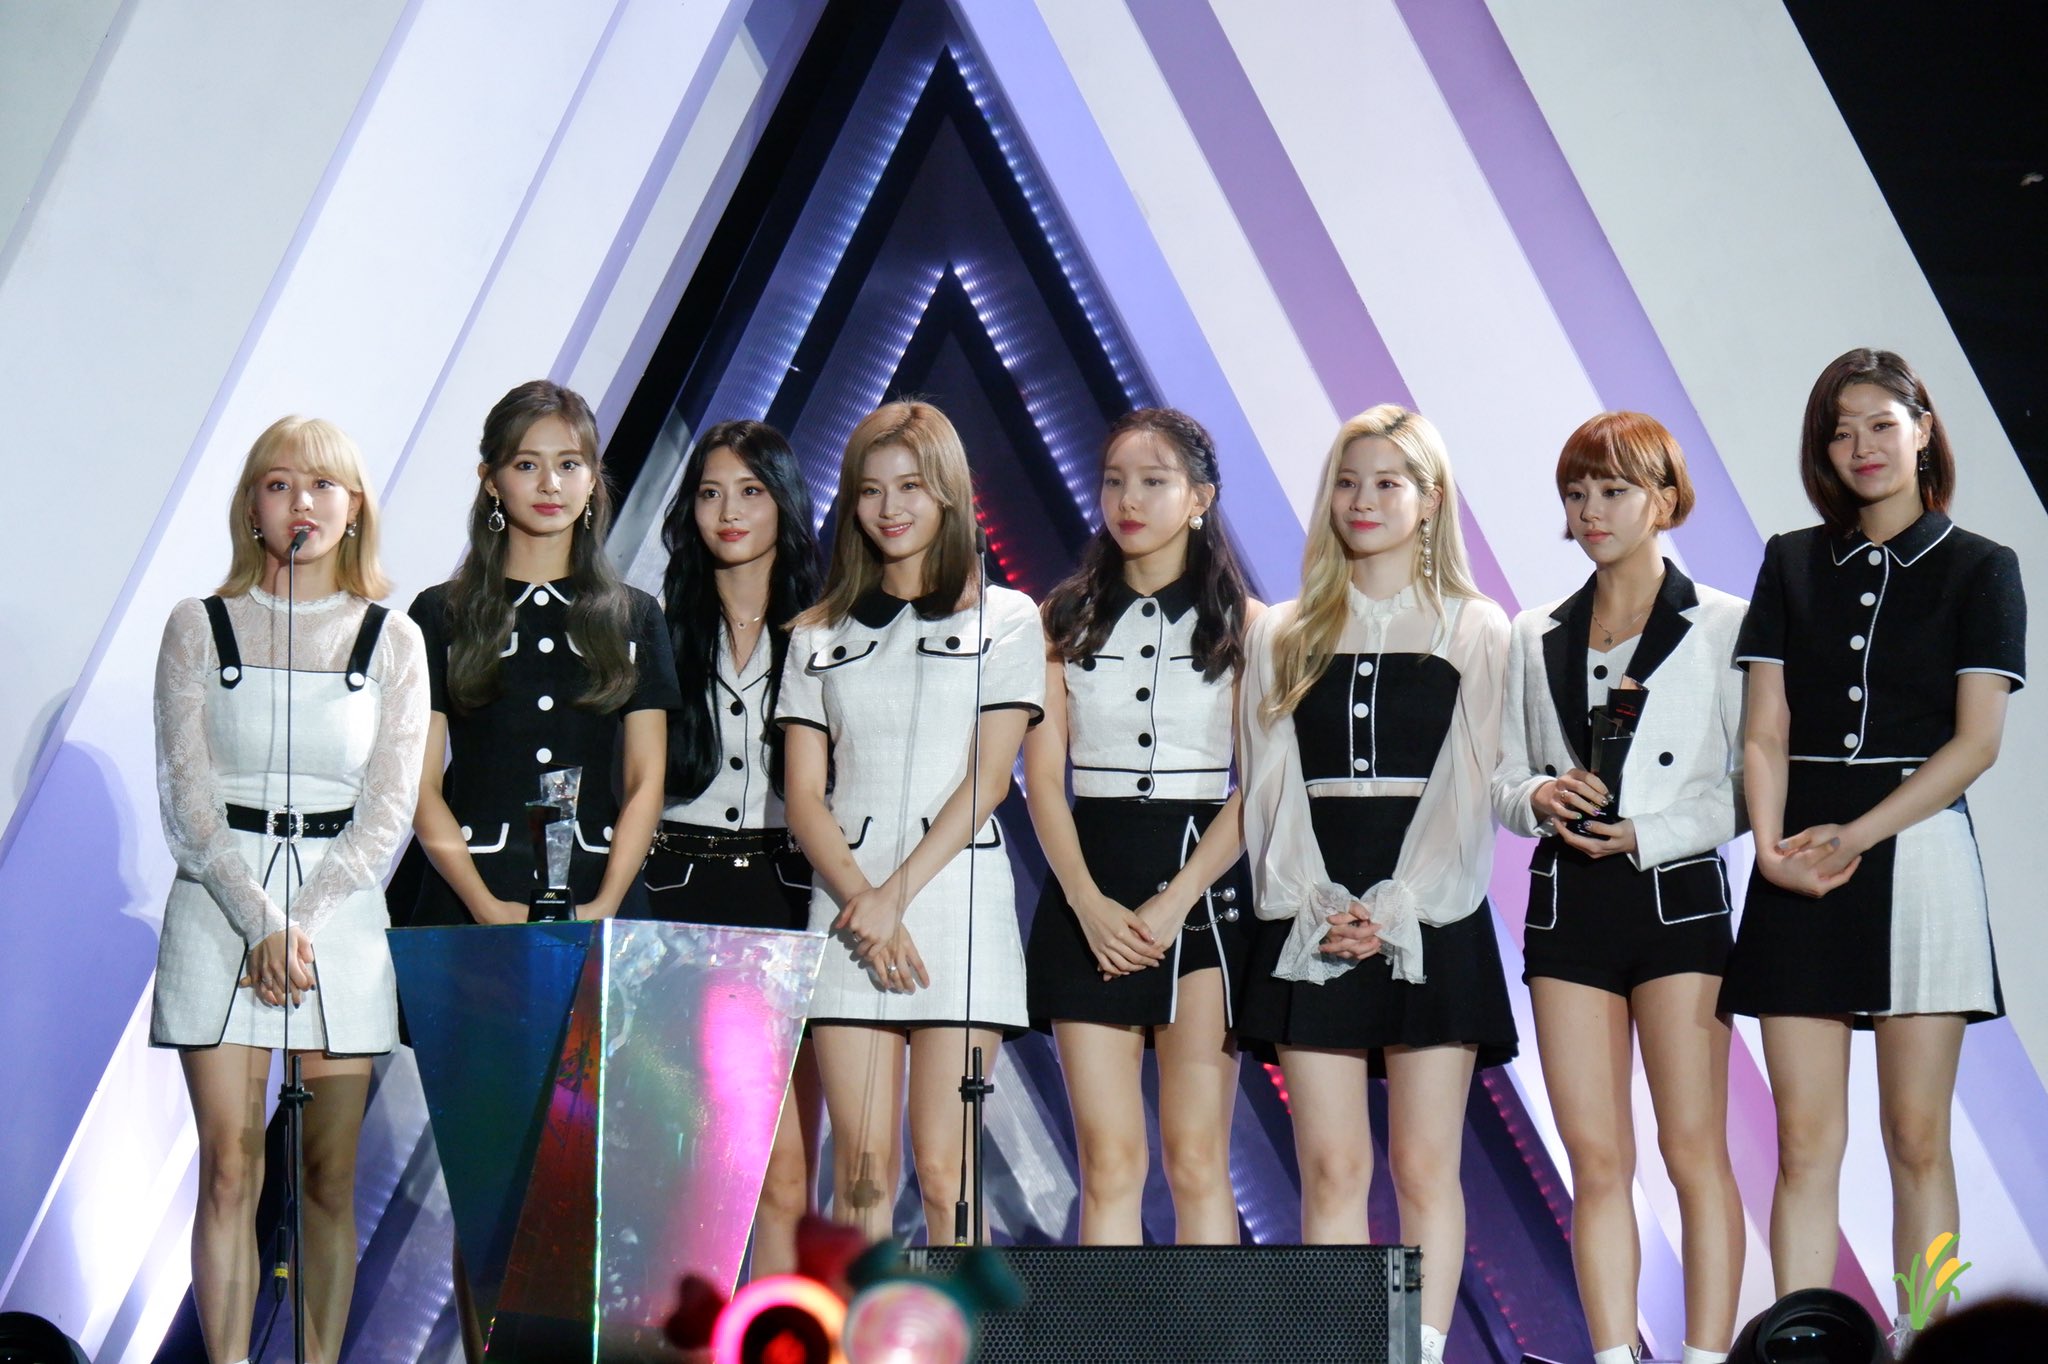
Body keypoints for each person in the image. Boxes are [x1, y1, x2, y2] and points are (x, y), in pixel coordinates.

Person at [1720, 349, 2025, 1356]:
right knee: (1804, 1140)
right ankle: (1800, 1341)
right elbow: (1763, 730)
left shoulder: (1982, 566)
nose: (1861, 447)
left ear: (1923, 430)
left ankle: (1923, 1337)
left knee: (1915, 1137)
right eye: (1840, 431)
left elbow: (1975, 743)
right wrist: (1771, 850)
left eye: (1880, 425)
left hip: (1920, 856)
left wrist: (1856, 833)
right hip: (1794, 856)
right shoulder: (1790, 560)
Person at [407, 379, 680, 1360]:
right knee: (490, 1178)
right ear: (491, 480)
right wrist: (486, 906)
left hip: (603, 911)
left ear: (595, 479)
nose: (550, 483)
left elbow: (645, 780)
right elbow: (417, 784)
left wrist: (604, 904)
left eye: (569, 463)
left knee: (596, 1173)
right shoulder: (441, 613)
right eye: (527, 464)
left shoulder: (632, 614)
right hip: (473, 913)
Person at [1237, 405, 1513, 1364]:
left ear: (1430, 500)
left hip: (1434, 915)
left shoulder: (1477, 627)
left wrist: (1399, 908)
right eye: (1348, 482)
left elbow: (1467, 788)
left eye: (1388, 483)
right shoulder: (1281, 630)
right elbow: (1268, 788)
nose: (1363, 500)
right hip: (1310, 918)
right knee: (1331, 1165)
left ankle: (1417, 1352)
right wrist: (1319, 904)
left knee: (1425, 1165)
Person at [152, 416, 428, 1364]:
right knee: (231, 1169)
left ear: (354, 509)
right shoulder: (199, 625)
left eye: (320, 485)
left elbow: (388, 811)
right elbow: (187, 803)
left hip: (337, 919)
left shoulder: (394, 639)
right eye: (277, 484)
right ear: (251, 508)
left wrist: (298, 926)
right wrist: (260, 922)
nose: (299, 502)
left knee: (326, 1176)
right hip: (219, 908)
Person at [1491, 412, 1746, 1364]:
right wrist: (1539, 797)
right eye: (1577, 492)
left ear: (1665, 500)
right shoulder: (1533, 632)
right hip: (1570, 906)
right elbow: (1501, 779)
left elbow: (1749, 788)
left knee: (1693, 1150)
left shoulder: (1724, 624)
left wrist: (1649, 831)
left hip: (1676, 899)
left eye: (1613, 490)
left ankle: (1707, 1355)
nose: (1591, 510)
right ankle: (1611, 1355)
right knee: (1596, 1159)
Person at [775, 400, 1045, 1244]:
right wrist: (865, 902)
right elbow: (804, 796)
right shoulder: (816, 633)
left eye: (911, 487)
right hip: (847, 908)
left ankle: (955, 1323)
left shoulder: (1008, 619)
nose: (890, 508)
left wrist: (893, 899)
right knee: (860, 1172)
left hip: (956, 904)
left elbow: (989, 780)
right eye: (870, 490)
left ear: (949, 493)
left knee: (947, 1172)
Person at [1023, 407, 1258, 1244]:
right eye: (1115, 481)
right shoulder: (1062, 617)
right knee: (1110, 1162)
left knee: (1197, 1159)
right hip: (1089, 883)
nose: (1128, 500)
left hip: (1204, 891)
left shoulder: (1248, 626)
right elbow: (1041, 780)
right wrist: (1087, 904)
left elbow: (1257, 786)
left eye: (1154, 482)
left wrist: (1176, 901)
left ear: (1200, 498)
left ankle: (1208, 1324)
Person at [647, 419, 824, 1276]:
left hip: (792, 892)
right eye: (711, 493)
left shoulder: (826, 632)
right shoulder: (655, 628)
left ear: (784, 504)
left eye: (751, 492)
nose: (729, 512)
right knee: (694, 1162)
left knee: (787, 1173)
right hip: (678, 892)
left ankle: (777, 1328)